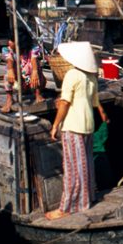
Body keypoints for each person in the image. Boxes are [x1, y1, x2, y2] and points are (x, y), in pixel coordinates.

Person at [46, 42, 108, 220]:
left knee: (73, 167)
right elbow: (96, 102)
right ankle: (86, 200)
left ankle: (66, 207)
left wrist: (55, 125)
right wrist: (103, 114)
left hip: (73, 125)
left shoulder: (72, 75)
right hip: (88, 124)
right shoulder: (91, 76)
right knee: (85, 164)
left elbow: (65, 102)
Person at [2, 31, 46, 113]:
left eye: (12, 40)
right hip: (19, 83)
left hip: (32, 81)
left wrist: (35, 71)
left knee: (31, 67)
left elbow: (34, 59)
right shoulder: (7, 50)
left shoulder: (33, 48)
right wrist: (10, 70)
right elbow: (9, 60)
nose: (9, 42)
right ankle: (9, 99)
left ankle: (37, 94)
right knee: (7, 73)